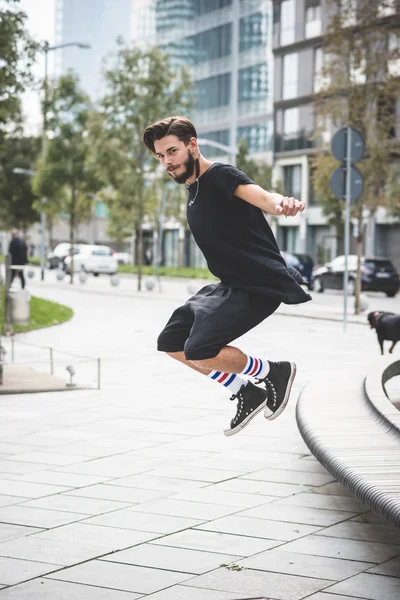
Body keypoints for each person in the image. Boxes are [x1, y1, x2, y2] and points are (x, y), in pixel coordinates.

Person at [143, 116, 311, 436]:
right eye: (160, 156)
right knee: (171, 342)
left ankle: (274, 372)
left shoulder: (220, 175)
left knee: (200, 349)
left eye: (172, 152)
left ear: (193, 145)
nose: (167, 162)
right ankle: (247, 391)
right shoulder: (193, 190)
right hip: (227, 286)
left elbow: (260, 196)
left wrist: (281, 204)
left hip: (257, 284)